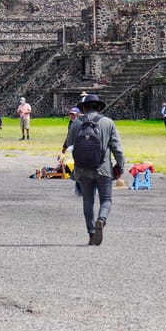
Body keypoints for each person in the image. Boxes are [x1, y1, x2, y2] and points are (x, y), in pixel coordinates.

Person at [64, 93, 125, 246]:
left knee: (88, 200)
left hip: (83, 169)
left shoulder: (77, 123)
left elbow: (70, 144)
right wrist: (120, 166)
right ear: (98, 107)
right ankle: (101, 220)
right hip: (103, 168)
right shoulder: (108, 123)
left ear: (83, 108)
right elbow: (117, 148)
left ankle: (91, 234)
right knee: (106, 200)